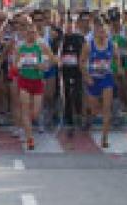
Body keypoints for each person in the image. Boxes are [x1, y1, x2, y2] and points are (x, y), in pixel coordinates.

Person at [15, 17, 56, 150]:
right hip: (24, 81)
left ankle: (28, 125)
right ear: (25, 33)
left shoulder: (41, 45)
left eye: (33, 33)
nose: (31, 35)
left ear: (36, 33)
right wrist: (21, 65)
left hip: (38, 81)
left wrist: (44, 65)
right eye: (28, 33)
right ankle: (29, 138)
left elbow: (52, 60)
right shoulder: (20, 47)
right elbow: (15, 65)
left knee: (36, 112)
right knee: (25, 110)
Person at [80, 17, 118, 148]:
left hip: (106, 78)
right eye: (99, 31)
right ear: (95, 32)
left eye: (104, 31)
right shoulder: (88, 45)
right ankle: (95, 114)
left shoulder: (112, 45)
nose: (102, 33)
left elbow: (117, 59)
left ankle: (104, 138)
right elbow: (81, 62)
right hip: (93, 79)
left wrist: (116, 70)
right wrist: (86, 76)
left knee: (107, 109)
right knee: (94, 109)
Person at [59, 12, 84, 138]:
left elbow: (84, 53)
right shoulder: (60, 39)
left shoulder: (79, 38)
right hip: (65, 70)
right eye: (66, 24)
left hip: (77, 70)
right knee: (67, 93)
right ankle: (69, 119)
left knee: (78, 93)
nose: (68, 26)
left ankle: (79, 115)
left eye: (70, 24)